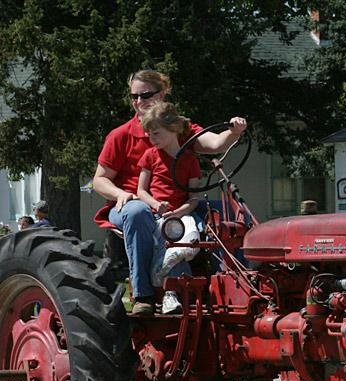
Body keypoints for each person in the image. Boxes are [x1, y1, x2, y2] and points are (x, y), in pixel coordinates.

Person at [91, 69, 246, 314]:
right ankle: (144, 295)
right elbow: (99, 181)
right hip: (134, 203)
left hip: (179, 203)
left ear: (162, 94)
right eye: (134, 97)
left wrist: (234, 132)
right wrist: (120, 194)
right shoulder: (121, 136)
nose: (138, 102)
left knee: (225, 212)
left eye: (145, 95)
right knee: (137, 212)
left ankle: (235, 288)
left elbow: (215, 143)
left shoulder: (179, 129)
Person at [136, 102, 201, 315]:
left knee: (185, 233)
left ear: (173, 128)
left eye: (155, 133)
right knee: (173, 234)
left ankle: (174, 290)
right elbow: (141, 191)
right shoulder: (150, 156)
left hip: (181, 215)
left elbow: (193, 199)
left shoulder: (190, 160)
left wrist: (180, 211)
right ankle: (173, 292)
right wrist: (157, 205)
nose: (151, 139)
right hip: (158, 215)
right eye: (149, 135)